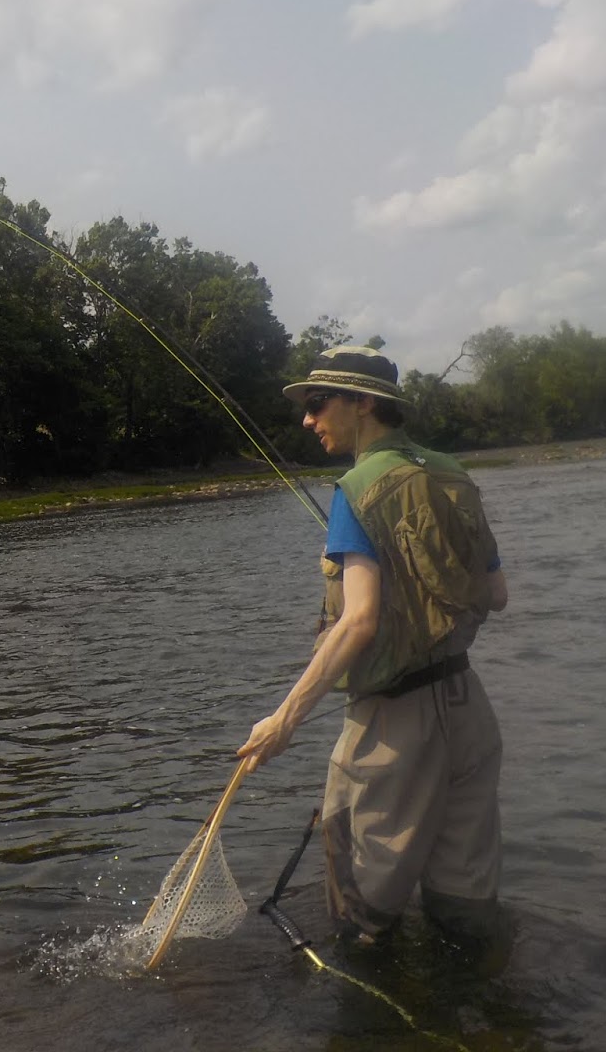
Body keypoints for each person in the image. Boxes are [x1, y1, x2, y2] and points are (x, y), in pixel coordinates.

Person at [237, 345, 509, 944]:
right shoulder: (453, 474)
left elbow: (357, 622)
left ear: (363, 404)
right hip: (469, 711)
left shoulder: (354, 489)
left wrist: (284, 719)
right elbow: (496, 594)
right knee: (465, 910)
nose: (308, 419)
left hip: (393, 731)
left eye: (317, 403)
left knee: (362, 919)